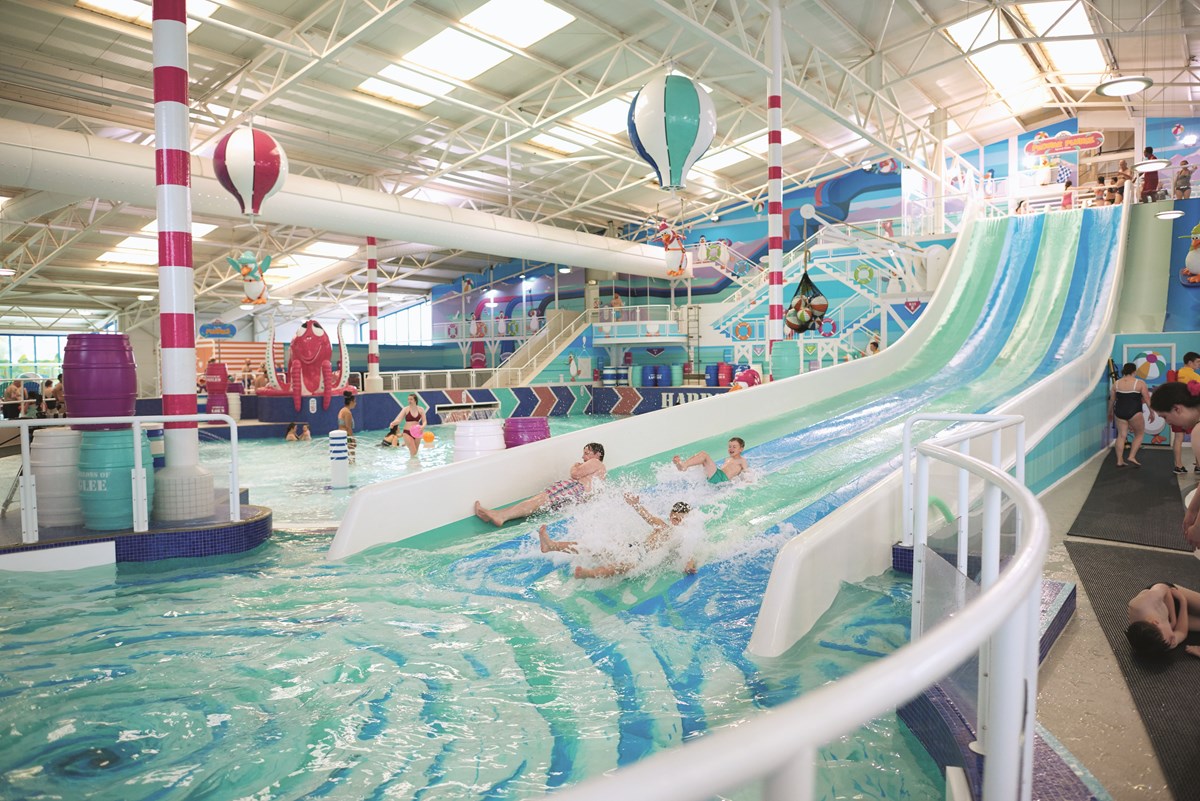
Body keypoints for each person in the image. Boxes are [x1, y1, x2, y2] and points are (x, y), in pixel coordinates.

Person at [538, 493, 697, 578]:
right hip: (635, 549)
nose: (675, 521)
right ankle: (552, 545)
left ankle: (591, 574)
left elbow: (688, 551)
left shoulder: (683, 535)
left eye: (679, 518)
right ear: (670, 514)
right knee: (594, 547)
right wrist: (635, 504)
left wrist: (689, 565)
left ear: (686, 519)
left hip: (640, 557)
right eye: (673, 517)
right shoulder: (663, 526)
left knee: (625, 565)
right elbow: (647, 517)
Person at [474, 443, 607, 526]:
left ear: (598, 454)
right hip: (577, 494)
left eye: (587, 453)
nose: (583, 457)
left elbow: (575, 474)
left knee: (539, 500)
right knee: (539, 502)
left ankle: (501, 516)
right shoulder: (600, 473)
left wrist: (575, 466)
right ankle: (498, 514)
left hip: (574, 488)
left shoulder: (596, 462)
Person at [1126, 582, 1200, 659]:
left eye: (1171, 636)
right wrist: (1182, 601)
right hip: (1175, 611)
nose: (1173, 637)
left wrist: (1173, 620)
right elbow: (1181, 632)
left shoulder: (1144, 602)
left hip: (1171, 595)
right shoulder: (1163, 644)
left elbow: (1165, 588)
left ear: (1155, 623)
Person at [1108, 362, 1154, 467]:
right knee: (1139, 434)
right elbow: (1147, 399)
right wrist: (1152, 412)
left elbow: (1112, 400)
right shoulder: (1139, 383)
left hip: (1119, 411)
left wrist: (1109, 412)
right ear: (1134, 371)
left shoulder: (1117, 383)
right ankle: (1131, 456)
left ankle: (1119, 460)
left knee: (1121, 436)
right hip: (1134, 412)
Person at [673, 437, 748, 484]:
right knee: (700, 458)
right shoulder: (727, 459)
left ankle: (684, 466)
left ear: (741, 449)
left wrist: (746, 481)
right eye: (729, 446)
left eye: (734, 447)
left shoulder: (742, 461)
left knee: (704, 455)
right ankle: (683, 465)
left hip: (722, 479)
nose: (731, 449)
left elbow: (746, 473)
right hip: (717, 475)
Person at [1172, 352, 1200, 474]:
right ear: (1190, 362)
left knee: (1178, 438)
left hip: (1176, 410)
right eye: (1198, 362)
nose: (1199, 364)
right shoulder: (1195, 376)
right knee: (1197, 437)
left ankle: (1178, 466)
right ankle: (1198, 465)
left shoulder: (1176, 374)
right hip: (1191, 411)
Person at [338, 393, 356, 462]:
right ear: (351, 402)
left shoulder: (342, 410)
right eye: (355, 401)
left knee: (346, 456)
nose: (355, 403)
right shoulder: (347, 412)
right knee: (352, 457)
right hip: (347, 435)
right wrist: (352, 439)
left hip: (342, 434)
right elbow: (348, 427)